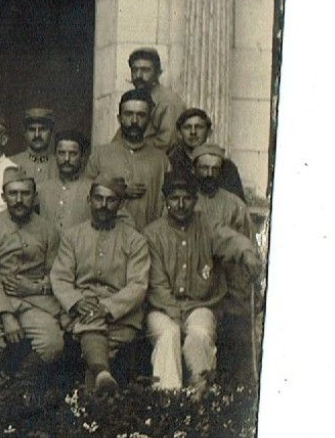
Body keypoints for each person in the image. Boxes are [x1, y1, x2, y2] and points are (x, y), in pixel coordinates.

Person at [143, 173, 263, 392]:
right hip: (161, 309)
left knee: (200, 334)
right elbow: (157, 286)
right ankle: (168, 399)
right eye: (174, 198)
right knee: (169, 334)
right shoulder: (152, 235)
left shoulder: (207, 226)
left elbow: (231, 240)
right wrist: (177, 319)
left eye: (186, 198)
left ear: (195, 200)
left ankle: (200, 395)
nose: (180, 204)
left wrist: (247, 253)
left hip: (200, 305)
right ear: (165, 200)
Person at [50, 175, 151, 394]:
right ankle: (103, 380)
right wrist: (77, 303)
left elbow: (138, 285)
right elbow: (60, 277)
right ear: (89, 200)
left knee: (95, 331)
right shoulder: (73, 236)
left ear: (121, 204)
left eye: (111, 200)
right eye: (98, 198)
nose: (103, 205)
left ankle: (98, 378)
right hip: (82, 308)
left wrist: (107, 308)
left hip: (120, 314)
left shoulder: (135, 240)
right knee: (90, 322)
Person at [0, 170, 64, 373]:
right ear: (3, 196)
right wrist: (6, 316)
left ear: (35, 196)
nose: (19, 200)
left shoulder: (49, 230)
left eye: (25, 193)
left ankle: (24, 383)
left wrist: (35, 288)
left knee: (52, 345)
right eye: (13, 194)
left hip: (35, 302)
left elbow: (57, 274)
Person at [85, 90, 170, 228]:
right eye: (129, 114)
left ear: (148, 120)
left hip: (148, 241)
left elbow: (167, 205)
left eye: (141, 115)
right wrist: (117, 191)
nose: (134, 121)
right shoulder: (100, 155)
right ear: (119, 118)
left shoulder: (161, 160)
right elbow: (87, 197)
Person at [168, 108, 246, 200]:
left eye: (199, 127)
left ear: (209, 132)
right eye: (187, 127)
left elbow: (236, 205)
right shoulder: (170, 164)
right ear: (179, 133)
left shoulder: (225, 167)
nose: (193, 132)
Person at [126, 47, 185, 152]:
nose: (138, 75)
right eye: (135, 70)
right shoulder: (136, 99)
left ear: (157, 73)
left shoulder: (168, 102)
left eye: (145, 70)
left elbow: (166, 143)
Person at [191, 145, 255, 239]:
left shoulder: (236, 205)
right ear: (194, 169)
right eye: (204, 168)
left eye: (215, 169)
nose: (210, 174)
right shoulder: (182, 202)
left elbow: (248, 244)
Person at [40, 130, 92, 229]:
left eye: (73, 154)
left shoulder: (92, 190)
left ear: (83, 157)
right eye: (62, 153)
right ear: (55, 155)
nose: (66, 159)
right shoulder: (42, 189)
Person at [9, 106, 59, 187]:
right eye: (32, 130)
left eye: (42, 129)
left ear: (51, 132)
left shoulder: (60, 166)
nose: (37, 135)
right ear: (25, 133)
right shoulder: (11, 163)